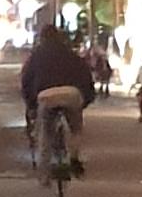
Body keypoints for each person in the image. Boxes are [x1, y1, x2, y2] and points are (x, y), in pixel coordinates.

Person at [21, 17, 94, 180]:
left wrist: (31, 105)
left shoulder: (36, 56)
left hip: (46, 95)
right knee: (76, 129)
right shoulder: (71, 54)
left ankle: (44, 172)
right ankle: (74, 158)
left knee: (45, 133)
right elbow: (86, 75)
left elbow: (26, 81)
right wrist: (86, 99)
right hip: (71, 93)